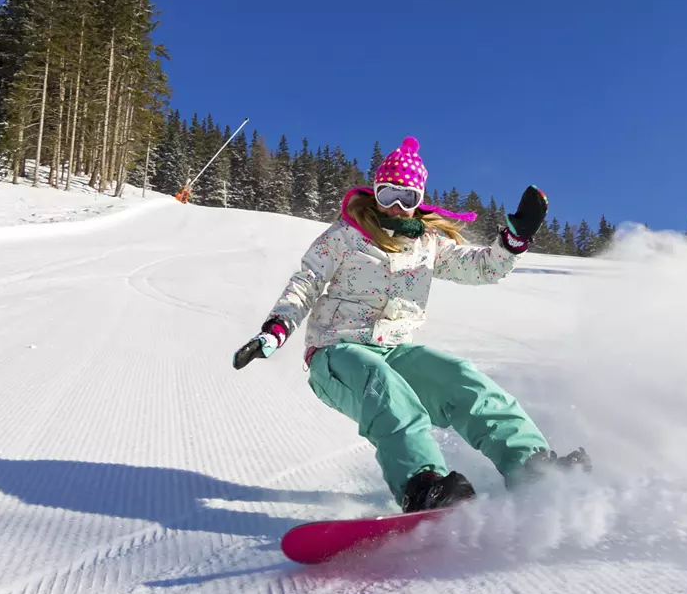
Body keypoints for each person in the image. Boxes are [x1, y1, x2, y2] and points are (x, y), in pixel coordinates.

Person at [233, 136, 589, 512]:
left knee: (461, 379)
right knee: (384, 388)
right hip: (336, 354)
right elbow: (305, 282)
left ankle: (530, 466)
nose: (398, 208)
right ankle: (421, 483)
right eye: (388, 196)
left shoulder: (428, 244)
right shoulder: (345, 235)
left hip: (394, 350)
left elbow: (482, 267)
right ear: (374, 193)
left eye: (408, 198)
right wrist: (276, 329)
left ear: (419, 200)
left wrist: (515, 240)